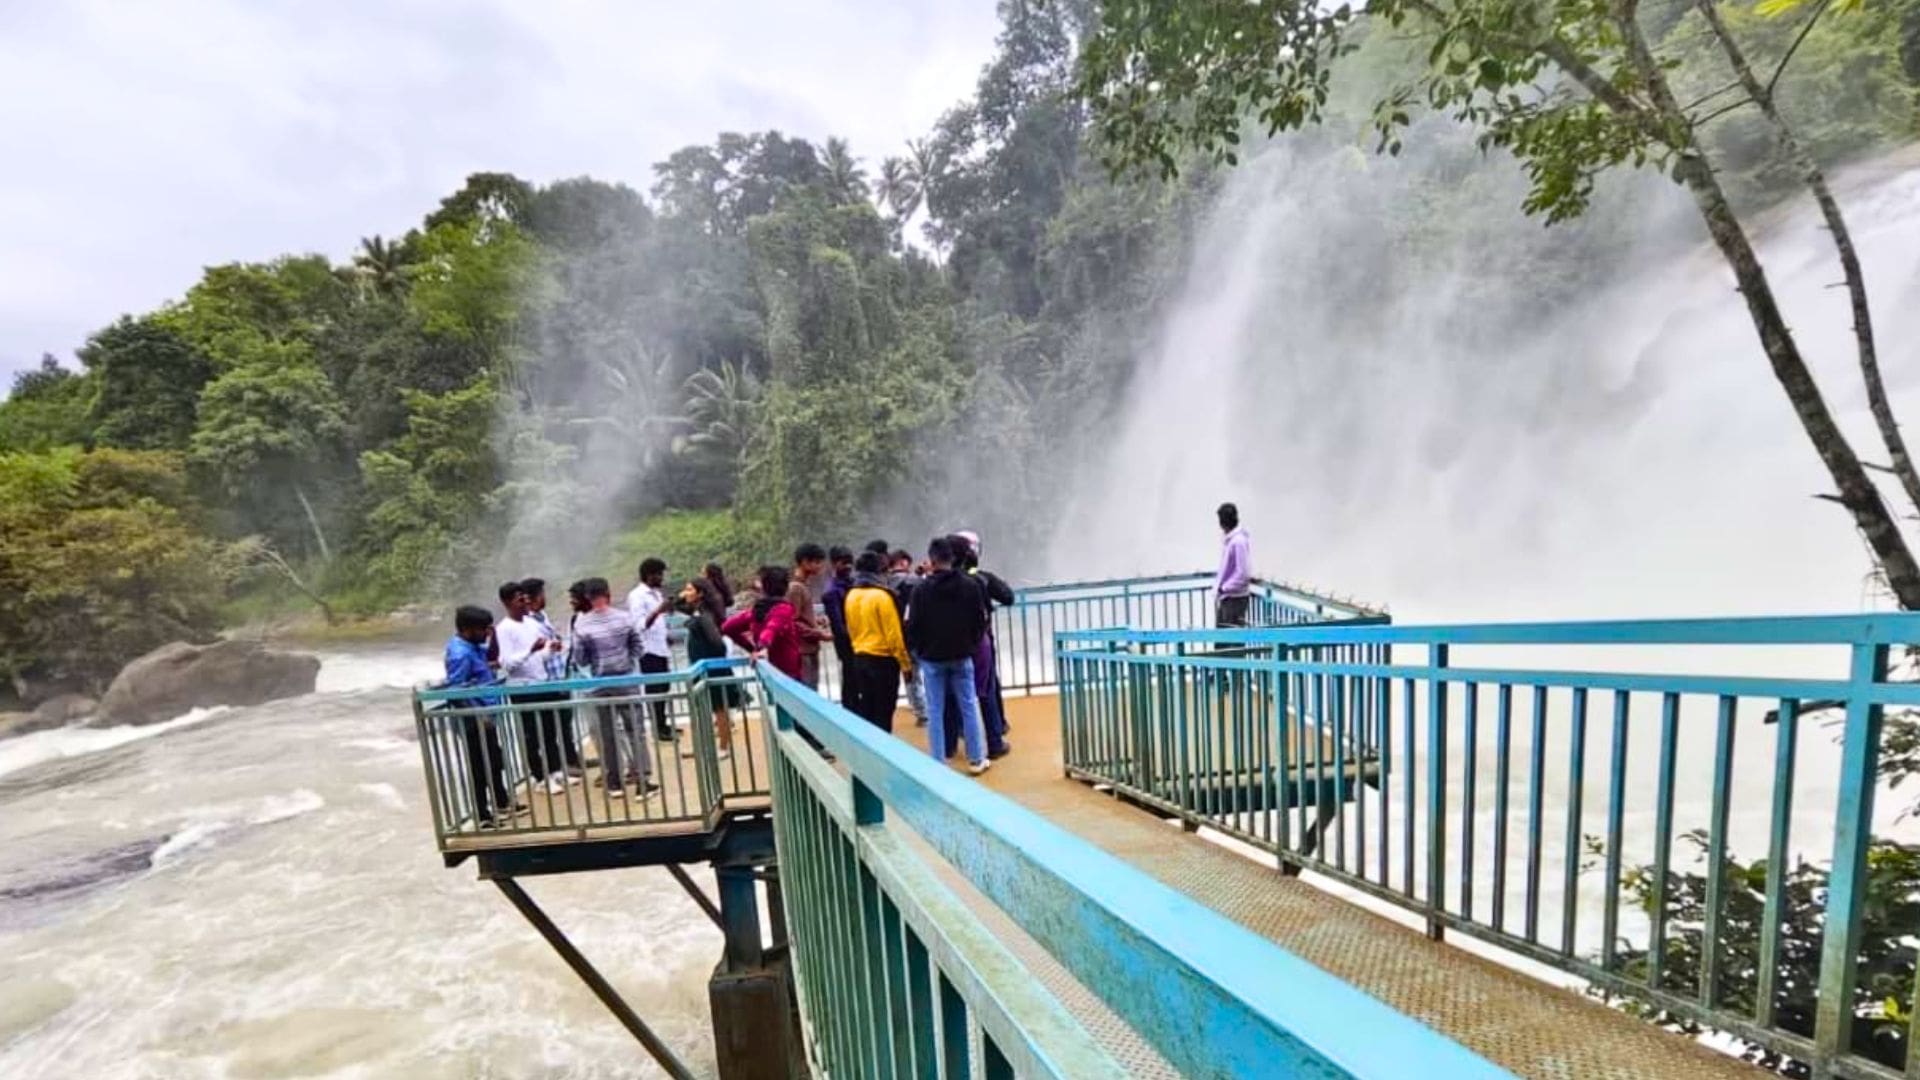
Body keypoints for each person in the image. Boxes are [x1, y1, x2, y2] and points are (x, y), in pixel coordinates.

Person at [905, 536, 991, 775]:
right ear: (952, 558)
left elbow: (912, 626)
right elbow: (980, 621)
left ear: (931, 560)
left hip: (931, 659)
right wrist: (971, 645)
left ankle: (938, 762)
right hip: (962, 656)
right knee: (968, 705)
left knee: (935, 709)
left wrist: (920, 650)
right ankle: (976, 759)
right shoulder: (970, 586)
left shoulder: (920, 590)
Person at [569, 577, 658, 801]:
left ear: (588, 598)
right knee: (634, 731)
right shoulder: (624, 618)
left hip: (598, 684)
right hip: (626, 682)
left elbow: (580, 657)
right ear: (607, 593)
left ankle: (614, 784)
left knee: (607, 734)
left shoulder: (582, 624)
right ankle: (642, 784)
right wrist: (627, 661)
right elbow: (639, 646)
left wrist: (597, 663)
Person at [494, 581, 572, 795]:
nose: (525, 602)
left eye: (526, 598)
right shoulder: (504, 629)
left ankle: (555, 771)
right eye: (520, 599)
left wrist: (550, 650)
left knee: (549, 730)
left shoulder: (530, 623)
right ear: (507, 602)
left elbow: (539, 656)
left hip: (541, 681)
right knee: (531, 734)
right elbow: (508, 664)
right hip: (522, 688)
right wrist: (531, 650)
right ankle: (540, 777)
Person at [441, 605, 515, 828]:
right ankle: (482, 814)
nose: (486, 633)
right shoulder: (460, 653)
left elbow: (490, 656)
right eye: (483, 629)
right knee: (479, 766)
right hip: (474, 719)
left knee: (494, 759)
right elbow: (455, 690)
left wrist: (492, 636)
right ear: (468, 629)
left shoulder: (472, 646)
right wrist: (477, 715)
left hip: (486, 713)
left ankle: (501, 801)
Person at [950, 531, 1014, 760]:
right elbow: (1008, 597)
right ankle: (995, 737)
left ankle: (955, 740)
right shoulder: (982, 579)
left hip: (949, 647)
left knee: (955, 693)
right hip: (980, 643)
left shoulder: (937, 581)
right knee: (987, 690)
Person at [844, 550, 912, 732]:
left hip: (859, 658)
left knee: (867, 710)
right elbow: (894, 636)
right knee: (884, 712)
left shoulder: (851, 595)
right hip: (883, 662)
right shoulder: (882, 596)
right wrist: (905, 665)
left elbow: (851, 629)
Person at [522, 577, 583, 781]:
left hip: (557, 677)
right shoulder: (527, 622)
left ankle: (568, 761)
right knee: (548, 727)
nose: (544, 597)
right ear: (531, 598)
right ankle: (553, 769)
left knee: (563, 721)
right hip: (544, 680)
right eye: (541, 594)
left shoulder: (541, 617)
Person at [679, 577, 740, 758]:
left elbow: (717, 642)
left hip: (710, 667)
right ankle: (704, 746)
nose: (686, 593)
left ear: (700, 594)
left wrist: (710, 656)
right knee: (705, 710)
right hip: (702, 667)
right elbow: (676, 604)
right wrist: (682, 596)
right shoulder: (697, 612)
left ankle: (723, 747)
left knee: (719, 709)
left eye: (690, 589)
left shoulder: (704, 616)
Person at [723, 566, 805, 680]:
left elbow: (728, 627)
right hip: (787, 674)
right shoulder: (783, 609)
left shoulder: (756, 612)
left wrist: (753, 648)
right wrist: (760, 648)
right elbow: (771, 628)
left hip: (768, 672)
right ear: (786, 587)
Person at [628, 557, 675, 742]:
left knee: (664, 686)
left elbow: (658, 622)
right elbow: (639, 624)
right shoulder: (637, 596)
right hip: (648, 650)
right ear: (650, 575)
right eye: (659, 574)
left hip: (660, 647)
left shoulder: (655, 594)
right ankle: (658, 728)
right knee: (654, 688)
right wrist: (658, 611)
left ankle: (663, 724)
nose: (662, 578)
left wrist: (666, 634)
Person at [888, 549, 929, 727]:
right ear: (904, 562)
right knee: (928, 672)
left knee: (909, 674)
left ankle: (919, 709)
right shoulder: (914, 582)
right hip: (917, 634)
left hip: (896, 636)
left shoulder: (884, 584)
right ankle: (929, 710)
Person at [786, 543, 833, 690]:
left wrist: (817, 620)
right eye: (817, 562)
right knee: (808, 691)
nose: (820, 566)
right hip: (802, 651)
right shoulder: (795, 588)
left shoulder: (803, 585)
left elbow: (802, 616)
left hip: (809, 648)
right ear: (805, 562)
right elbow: (792, 621)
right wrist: (818, 633)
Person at [821, 545, 856, 702]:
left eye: (850, 562)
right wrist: (853, 638)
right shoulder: (832, 591)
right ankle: (851, 712)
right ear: (834, 564)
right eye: (844, 563)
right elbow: (837, 624)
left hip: (859, 639)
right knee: (850, 678)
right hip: (847, 642)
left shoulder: (854, 584)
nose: (848, 566)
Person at [1216, 502, 1253, 628]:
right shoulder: (1232, 540)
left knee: (1230, 642)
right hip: (1229, 597)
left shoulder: (1238, 542)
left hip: (1234, 598)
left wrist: (1224, 588)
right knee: (1224, 639)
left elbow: (1243, 573)